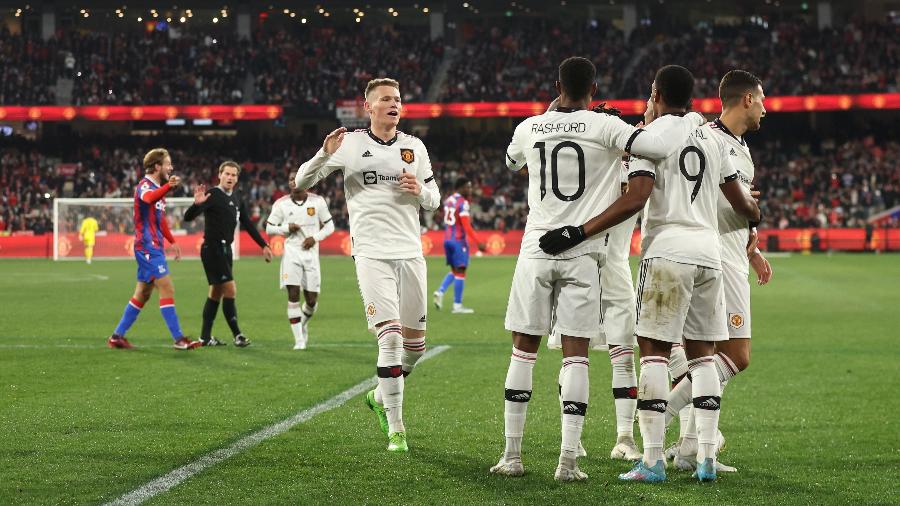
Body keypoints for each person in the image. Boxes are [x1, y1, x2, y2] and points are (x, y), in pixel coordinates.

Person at [540, 65, 761, 483]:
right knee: (703, 359)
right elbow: (742, 203)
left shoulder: (650, 141)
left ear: (656, 94)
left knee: (656, 355)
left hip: (668, 252)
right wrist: (756, 212)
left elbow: (635, 198)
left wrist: (580, 230)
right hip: (710, 255)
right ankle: (706, 460)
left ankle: (654, 460)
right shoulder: (715, 141)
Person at [492, 57, 706, 482]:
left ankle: (512, 456)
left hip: (536, 248)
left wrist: (553, 117)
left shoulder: (530, 126)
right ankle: (568, 462)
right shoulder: (604, 127)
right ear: (595, 87)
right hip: (584, 251)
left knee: (523, 350)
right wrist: (623, 131)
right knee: (577, 356)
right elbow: (657, 147)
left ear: (557, 86)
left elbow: (510, 162)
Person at [295, 77, 440, 453]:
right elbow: (301, 180)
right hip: (372, 253)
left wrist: (420, 191)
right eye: (386, 99)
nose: (394, 104)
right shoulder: (351, 144)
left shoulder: (414, 147)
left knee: (415, 348)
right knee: (389, 337)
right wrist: (324, 154)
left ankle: (379, 394)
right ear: (369, 107)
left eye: (398, 99)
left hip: (410, 253)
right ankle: (397, 430)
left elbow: (434, 199)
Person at [665, 70, 774, 472]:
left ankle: (691, 448)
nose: (765, 108)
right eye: (762, 100)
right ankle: (662, 415)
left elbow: (738, 204)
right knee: (735, 356)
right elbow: (705, 196)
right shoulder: (709, 139)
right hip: (715, 258)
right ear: (746, 99)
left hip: (732, 251)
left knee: (707, 357)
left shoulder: (740, 147)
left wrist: (754, 247)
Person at [107, 148, 200, 351]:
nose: (171, 167)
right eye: (167, 163)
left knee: (143, 293)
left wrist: (172, 241)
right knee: (167, 287)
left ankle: (117, 336)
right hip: (147, 247)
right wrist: (167, 186)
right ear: (157, 166)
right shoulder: (144, 186)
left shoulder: (159, 189)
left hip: (155, 246)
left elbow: (160, 220)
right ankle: (179, 339)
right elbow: (148, 199)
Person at [183, 161, 273, 348]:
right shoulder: (213, 195)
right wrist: (195, 204)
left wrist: (263, 245)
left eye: (234, 175)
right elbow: (188, 217)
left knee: (216, 292)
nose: (230, 177)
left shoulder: (238, 196)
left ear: (237, 178)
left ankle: (205, 337)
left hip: (226, 250)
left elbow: (247, 223)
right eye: (227, 174)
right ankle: (237, 335)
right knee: (230, 289)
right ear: (220, 175)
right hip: (213, 248)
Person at [265, 170, 335, 350]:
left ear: (307, 180)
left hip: (311, 256)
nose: (294, 182)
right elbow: (269, 228)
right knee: (293, 295)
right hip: (291, 255)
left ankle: (302, 323)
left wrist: (315, 238)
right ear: (288, 183)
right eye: (290, 179)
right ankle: (299, 340)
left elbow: (330, 226)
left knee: (311, 300)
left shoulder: (317, 202)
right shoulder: (281, 204)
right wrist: (286, 228)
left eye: (297, 179)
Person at [433, 177, 485, 314]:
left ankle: (440, 291)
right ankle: (457, 305)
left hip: (447, 240)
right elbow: (466, 226)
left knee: (456, 271)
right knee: (461, 272)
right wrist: (478, 241)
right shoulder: (463, 203)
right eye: (468, 187)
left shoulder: (448, 200)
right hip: (458, 241)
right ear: (460, 187)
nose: (470, 189)